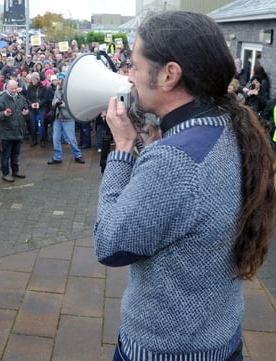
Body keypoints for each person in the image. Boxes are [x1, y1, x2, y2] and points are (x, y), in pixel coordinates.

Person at [94, 11, 275, 361]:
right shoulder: (230, 125)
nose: (129, 76)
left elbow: (111, 244)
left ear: (169, 74)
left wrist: (123, 150)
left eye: (134, 65)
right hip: (218, 337)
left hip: (166, 349)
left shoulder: (174, 160)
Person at [0, 80, 28, 183]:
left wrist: (26, 113)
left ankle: (15, 171)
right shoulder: (2, 99)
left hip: (18, 131)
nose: (13, 90)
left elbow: (25, 110)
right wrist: (3, 114)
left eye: (15, 88)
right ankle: (5, 173)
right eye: (11, 88)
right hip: (7, 133)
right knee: (6, 154)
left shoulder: (20, 98)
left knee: (16, 154)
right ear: (7, 87)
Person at [48, 74, 85, 165]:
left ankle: (77, 155)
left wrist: (65, 105)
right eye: (59, 79)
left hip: (68, 118)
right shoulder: (57, 90)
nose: (60, 81)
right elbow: (53, 102)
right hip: (58, 118)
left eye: (61, 79)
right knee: (56, 138)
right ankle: (57, 157)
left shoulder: (71, 91)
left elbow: (75, 104)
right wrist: (55, 102)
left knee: (71, 139)